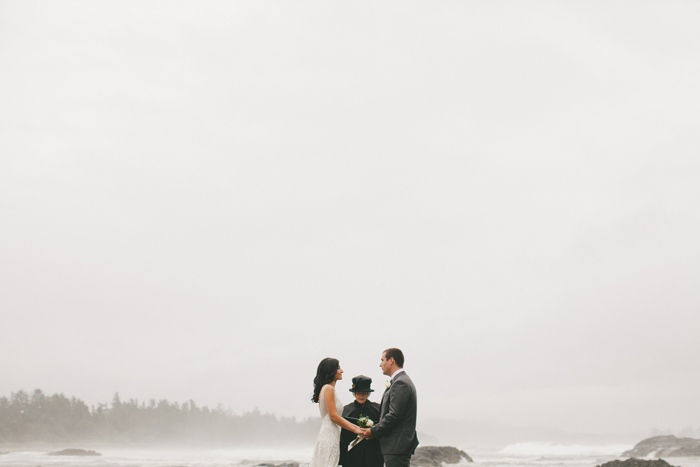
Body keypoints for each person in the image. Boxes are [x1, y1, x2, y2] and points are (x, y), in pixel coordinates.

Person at [362, 348, 419, 467]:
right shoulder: (400, 381)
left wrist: (373, 431)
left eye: (382, 360)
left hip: (396, 446)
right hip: (396, 446)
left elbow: (395, 415)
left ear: (391, 360)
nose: (380, 364)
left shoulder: (400, 383)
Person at [309, 358, 364, 467]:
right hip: (329, 436)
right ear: (331, 371)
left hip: (332, 434)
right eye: (338, 368)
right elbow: (333, 416)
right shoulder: (328, 388)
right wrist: (355, 429)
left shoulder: (327, 388)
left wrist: (357, 427)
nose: (342, 371)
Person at [339, 375, 383, 467]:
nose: (361, 396)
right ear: (354, 393)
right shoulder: (346, 410)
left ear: (368, 393)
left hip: (373, 455)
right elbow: (342, 436)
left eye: (364, 393)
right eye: (359, 393)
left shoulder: (378, 409)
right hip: (352, 455)